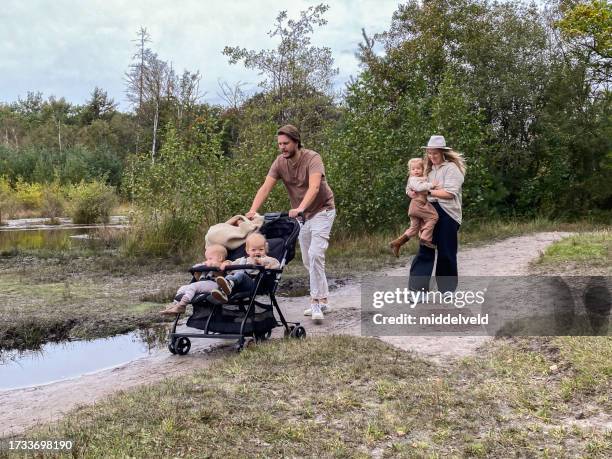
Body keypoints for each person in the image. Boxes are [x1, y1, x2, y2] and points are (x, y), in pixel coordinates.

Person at [245, 125, 335, 323]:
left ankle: (316, 302)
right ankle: (325, 299)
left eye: (286, 143)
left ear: (296, 142)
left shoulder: (313, 158)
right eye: (279, 144)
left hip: (322, 210)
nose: (282, 148)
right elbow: (265, 187)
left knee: (315, 255)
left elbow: (314, 187)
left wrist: (301, 207)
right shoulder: (279, 162)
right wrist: (253, 210)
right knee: (308, 260)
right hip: (302, 217)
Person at [408, 135, 466, 293]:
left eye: (435, 153)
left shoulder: (452, 168)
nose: (432, 156)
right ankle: (417, 291)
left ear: (442, 152)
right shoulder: (427, 170)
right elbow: (413, 185)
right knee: (425, 249)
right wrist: (411, 192)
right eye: (429, 153)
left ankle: (447, 290)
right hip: (428, 212)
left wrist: (428, 191)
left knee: (446, 253)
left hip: (448, 213)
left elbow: (449, 193)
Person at [389, 157, 440, 256]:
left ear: (422, 169)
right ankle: (425, 239)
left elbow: (409, 187)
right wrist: (431, 185)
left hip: (415, 207)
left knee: (414, 228)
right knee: (433, 217)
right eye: (413, 169)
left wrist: (408, 191)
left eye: (418, 168)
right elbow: (418, 187)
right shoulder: (413, 179)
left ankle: (397, 243)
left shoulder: (420, 178)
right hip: (418, 204)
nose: (416, 171)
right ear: (410, 171)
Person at [210, 232, 280, 303]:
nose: (257, 252)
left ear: (265, 249)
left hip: (255, 286)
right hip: (238, 286)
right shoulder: (243, 260)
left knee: (240, 275)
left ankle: (228, 285)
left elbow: (276, 264)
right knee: (230, 276)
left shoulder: (268, 259)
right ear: (247, 250)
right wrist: (227, 262)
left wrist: (265, 264)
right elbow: (232, 264)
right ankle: (222, 292)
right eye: (253, 250)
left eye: (261, 249)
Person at [161, 244, 228, 315]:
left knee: (193, 286)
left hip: (215, 285)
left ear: (220, 258)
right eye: (207, 259)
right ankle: (175, 305)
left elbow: (221, 271)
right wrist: (201, 266)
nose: (207, 261)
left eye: (210, 258)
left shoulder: (224, 264)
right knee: (182, 288)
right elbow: (195, 268)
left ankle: (182, 305)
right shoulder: (206, 264)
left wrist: (214, 265)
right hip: (203, 284)